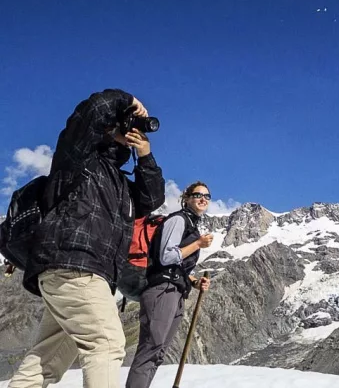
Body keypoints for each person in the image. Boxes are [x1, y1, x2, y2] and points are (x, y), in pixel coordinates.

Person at [9, 89, 166, 388]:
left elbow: (150, 198)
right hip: (74, 264)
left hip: (80, 271)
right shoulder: (79, 158)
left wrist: (144, 155)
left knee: (48, 360)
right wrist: (129, 101)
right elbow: (92, 110)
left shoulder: (117, 181)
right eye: (126, 124)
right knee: (106, 343)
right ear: (109, 126)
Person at [125, 181, 214, 388]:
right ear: (187, 198)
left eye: (207, 197)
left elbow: (179, 265)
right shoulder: (178, 220)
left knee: (158, 351)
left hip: (175, 291)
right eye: (198, 195)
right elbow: (166, 256)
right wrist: (198, 244)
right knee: (151, 348)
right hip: (162, 291)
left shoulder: (190, 224)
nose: (203, 199)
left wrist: (194, 281)